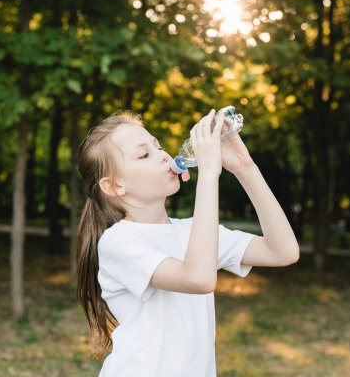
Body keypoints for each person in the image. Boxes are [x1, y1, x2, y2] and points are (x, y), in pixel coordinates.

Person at [75, 109, 300, 377]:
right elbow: (197, 279)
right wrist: (208, 174)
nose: (162, 155)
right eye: (144, 154)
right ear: (115, 187)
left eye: (158, 146)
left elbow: (283, 251)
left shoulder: (193, 231)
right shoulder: (118, 243)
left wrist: (245, 168)